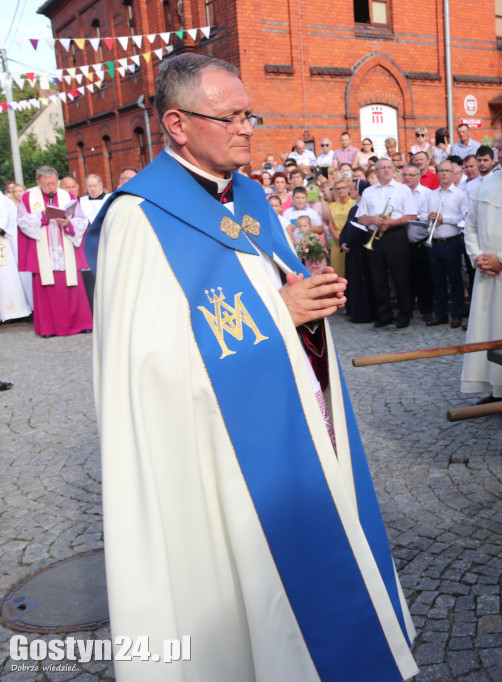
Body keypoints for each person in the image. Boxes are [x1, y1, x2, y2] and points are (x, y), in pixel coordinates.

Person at [86, 52, 417, 681]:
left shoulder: (250, 196)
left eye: (249, 114)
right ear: (177, 124)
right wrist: (278, 311)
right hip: (215, 455)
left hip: (289, 424)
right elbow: (147, 370)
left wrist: (305, 295)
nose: (247, 129)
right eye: (231, 117)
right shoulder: (139, 218)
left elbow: (266, 290)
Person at [461, 127, 502, 402]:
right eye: (498, 149)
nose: (500, 155)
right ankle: (495, 387)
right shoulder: (486, 183)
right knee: (487, 329)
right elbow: (470, 225)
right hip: (486, 271)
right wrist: (478, 256)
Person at [16, 165, 92, 337]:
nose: (52, 187)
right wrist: (43, 217)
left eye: (54, 183)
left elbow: (81, 220)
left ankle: (81, 324)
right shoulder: (29, 197)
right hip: (44, 251)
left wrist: (68, 224)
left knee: (71, 286)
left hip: (65, 249)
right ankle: (49, 328)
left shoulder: (68, 196)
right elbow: (22, 221)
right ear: (38, 182)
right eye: (48, 184)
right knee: (48, 289)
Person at [356, 158, 417, 328]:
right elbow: (361, 218)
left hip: (395, 235)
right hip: (374, 237)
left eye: (390, 167)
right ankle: (384, 314)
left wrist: (392, 222)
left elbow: (412, 216)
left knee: (401, 276)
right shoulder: (368, 192)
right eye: (382, 168)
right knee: (378, 277)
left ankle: (404, 314)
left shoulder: (403, 189)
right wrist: (371, 218)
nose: (387, 170)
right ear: (376, 171)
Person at [422, 159, 469, 328]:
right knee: (437, 280)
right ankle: (440, 314)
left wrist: (444, 219)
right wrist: (428, 217)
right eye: (441, 170)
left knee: (455, 280)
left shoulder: (460, 195)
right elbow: (421, 215)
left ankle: (457, 314)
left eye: (447, 171)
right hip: (433, 242)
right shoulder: (431, 194)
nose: (443, 173)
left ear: (454, 174)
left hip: (452, 242)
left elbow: (464, 218)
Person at [400, 163, 434, 320]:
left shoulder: (427, 193)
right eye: (404, 174)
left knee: (423, 278)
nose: (407, 177)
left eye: (410, 175)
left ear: (419, 176)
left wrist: (417, 216)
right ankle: (406, 310)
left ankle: (426, 310)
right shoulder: (398, 192)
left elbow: (429, 216)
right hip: (401, 242)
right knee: (404, 278)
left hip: (420, 241)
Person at [340, 179, 377, 323]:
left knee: (362, 282)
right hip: (351, 252)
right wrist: (343, 242)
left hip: (359, 251)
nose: (350, 191)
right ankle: (353, 310)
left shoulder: (365, 209)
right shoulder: (354, 208)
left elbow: (360, 232)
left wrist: (350, 244)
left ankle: (363, 313)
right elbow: (347, 228)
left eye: (352, 189)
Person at [0, 189, 31, 323]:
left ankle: (14, 312)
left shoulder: (2, 199)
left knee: (6, 278)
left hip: (2, 243)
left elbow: (3, 218)